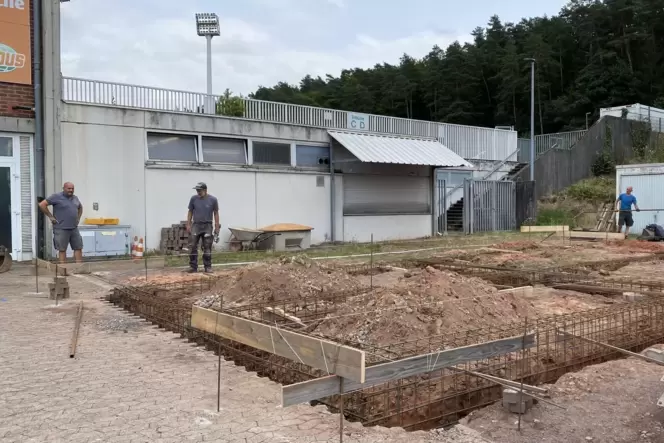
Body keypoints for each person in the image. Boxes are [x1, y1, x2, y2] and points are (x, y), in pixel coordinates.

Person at [38, 182, 84, 264]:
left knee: (78, 247)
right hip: (61, 228)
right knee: (62, 249)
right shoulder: (56, 197)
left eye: (72, 188)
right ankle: (63, 269)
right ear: (64, 188)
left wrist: (78, 218)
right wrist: (51, 217)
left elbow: (80, 207)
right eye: (69, 188)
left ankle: (79, 268)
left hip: (74, 228)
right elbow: (42, 204)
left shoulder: (75, 198)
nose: (71, 190)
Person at [186, 182, 220, 273]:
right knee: (192, 245)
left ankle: (208, 266)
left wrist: (217, 226)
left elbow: (216, 213)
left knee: (207, 246)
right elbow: (190, 211)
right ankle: (193, 266)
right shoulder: (193, 199)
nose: (198, 192)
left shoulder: (213, 200)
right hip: (196, 225)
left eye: (200, 190)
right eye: (197, 190)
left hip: (207, 225)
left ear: (205, 190)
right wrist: (188, 224)